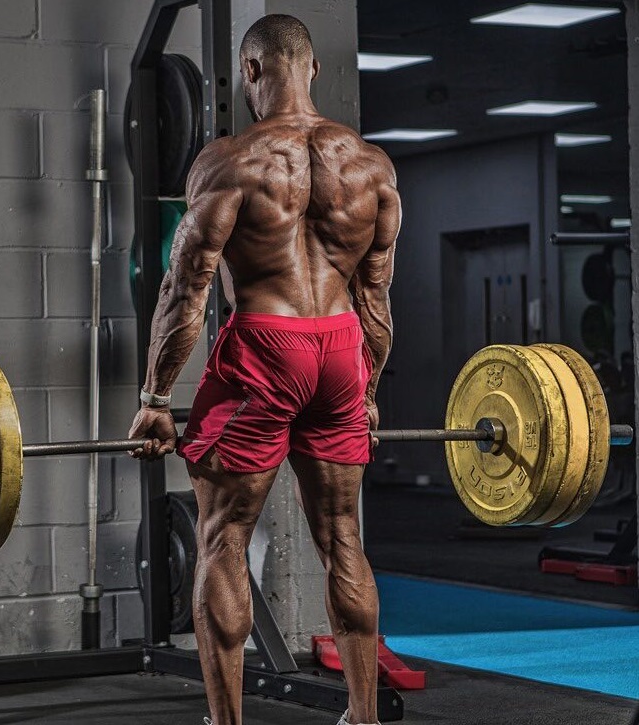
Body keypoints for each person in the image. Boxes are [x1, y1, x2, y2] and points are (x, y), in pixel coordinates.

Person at [128, 13, 400, 725]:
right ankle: (363, 717)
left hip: (265, 344)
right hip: (340, 347)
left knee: (222, 537)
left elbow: (184, 288)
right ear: (309, 69)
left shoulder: (231, 160)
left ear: (251, 71)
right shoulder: (370, 164)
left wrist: (156, 396)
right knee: (343, 536)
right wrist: (366, 388)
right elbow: (374, 295)